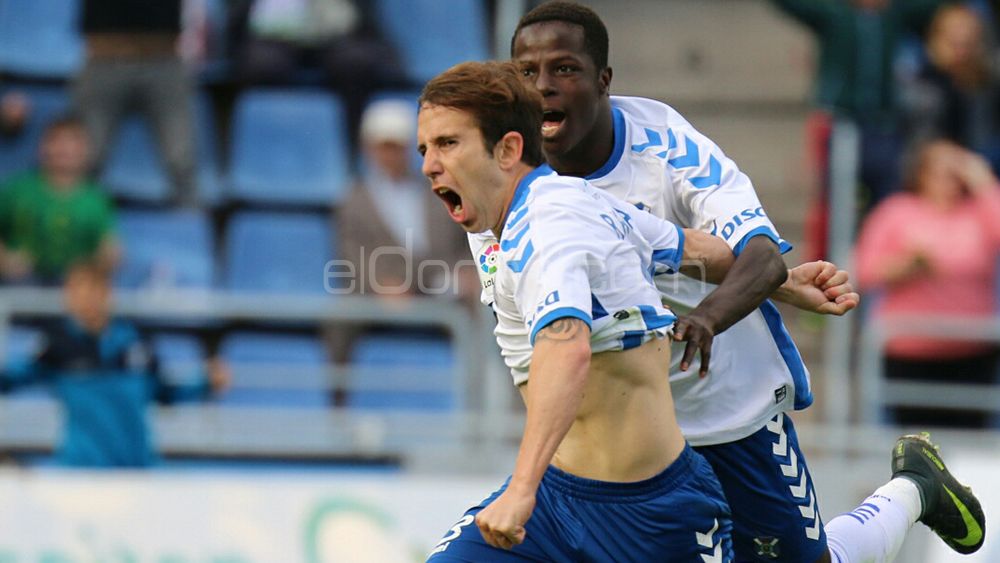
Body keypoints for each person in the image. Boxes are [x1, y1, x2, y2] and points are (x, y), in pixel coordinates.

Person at [487, 2, 984, 561]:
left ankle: (912, 489)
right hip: (619, 443)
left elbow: (761, 255)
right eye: (527, 73)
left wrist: (707, 317)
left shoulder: (665, 146)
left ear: (604, 80)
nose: (544, 87)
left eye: (564, 69)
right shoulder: (503, 172)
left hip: (723, 414)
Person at [420, 60, 738, 561]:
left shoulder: (549, 222)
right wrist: (785, 282)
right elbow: (690, 249)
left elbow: (567, 349)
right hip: (556, 502)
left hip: (653, 518)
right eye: (425, 148)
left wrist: (519, 490)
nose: (428, 165)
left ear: (507, 149)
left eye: (447, 144)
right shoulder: (564, 200)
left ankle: (904, 495)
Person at [769, 0, 950, 261]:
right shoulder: (834, 13)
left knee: (888, 204)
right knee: (838, 208)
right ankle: (832, 274)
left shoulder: (896, 15)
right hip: (843, 126)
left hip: (885, 127)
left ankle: (880, 279)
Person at [0, 264, 229, 467]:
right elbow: (12, 378)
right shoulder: (56, 347)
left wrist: (204, 381)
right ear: (67, 298)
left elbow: (164, 391)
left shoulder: (135, 342)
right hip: (82, 474)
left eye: (93, 289)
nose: (86, 298)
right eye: (77, 291)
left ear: (108, 293)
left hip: (136, 471)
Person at [855, 140, 1000, 428]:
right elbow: (863, 270)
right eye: (941, 170)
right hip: (909, 353)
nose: (950, 177)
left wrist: (984, 183)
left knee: (967, 444)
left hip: (972, 353)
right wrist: (906, 266)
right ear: (921, 173)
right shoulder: (896, 212)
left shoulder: (979, 212)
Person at [74, 0, 197, 207]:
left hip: (164, 59)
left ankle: (192, 233)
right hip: (104, 59)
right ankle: (73, 227)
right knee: (85, 159)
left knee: (181, 161)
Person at [0, 116, 120, 285]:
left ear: (85, 150)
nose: (65, 150)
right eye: (57, 142)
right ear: (42, 147)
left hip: (72, 284)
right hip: (16, 279)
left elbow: (108, 249)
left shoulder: (96, 199)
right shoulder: (17, 190)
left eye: (72, 143)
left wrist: (99, 265)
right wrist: (4, 259)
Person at [902, 4, 1000, 169]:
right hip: (934, 170)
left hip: (982, 165)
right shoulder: (924, 85)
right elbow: (923, 145)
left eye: (967, 42)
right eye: (954, 42)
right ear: (936, 39)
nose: (961, 50)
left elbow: (983, 140)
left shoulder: (987, 84)